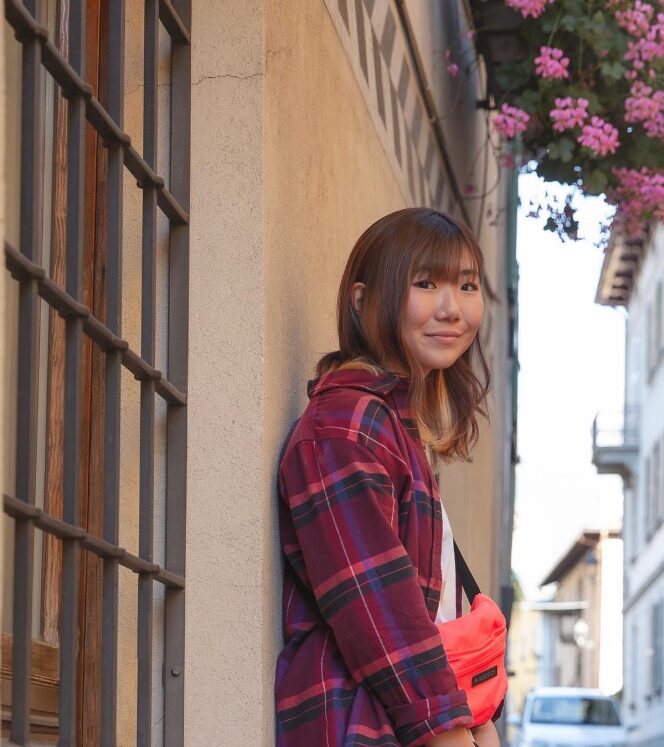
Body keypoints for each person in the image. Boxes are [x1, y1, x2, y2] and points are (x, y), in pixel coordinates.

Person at [275, 207, 503, 747]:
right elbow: (378, 609)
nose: (451, 308)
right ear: (362, 300)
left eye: (467, 286)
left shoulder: (392, 424)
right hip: (362, 723)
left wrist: (477, 721)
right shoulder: (344, 425)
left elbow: (428, 610)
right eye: (425, 284)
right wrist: (449, 732)